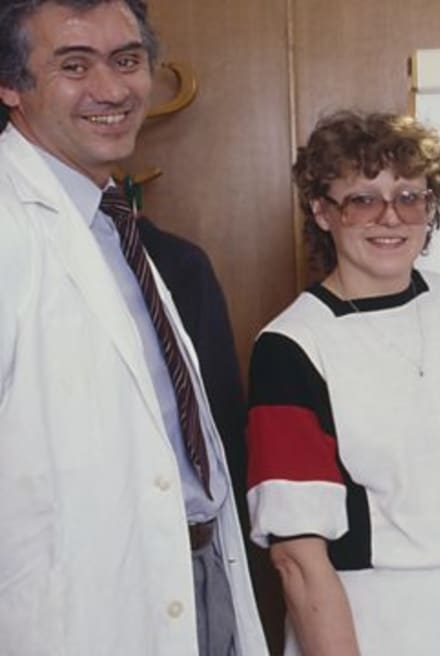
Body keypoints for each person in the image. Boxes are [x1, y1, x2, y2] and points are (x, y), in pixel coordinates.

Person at [0, 1, 266, 654]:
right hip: (74, 615)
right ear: (10, 87)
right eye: (73, 65)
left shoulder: (119, 230)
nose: (112, 90)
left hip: (201, 582)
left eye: (127, 60)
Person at [245, 110, 440, 656]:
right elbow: (297, 558)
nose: (390, 218)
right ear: (322, 211)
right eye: (363, 199)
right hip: (380, 627)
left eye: (409, 196)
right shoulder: (291, 347)